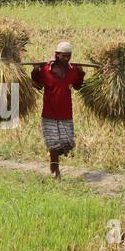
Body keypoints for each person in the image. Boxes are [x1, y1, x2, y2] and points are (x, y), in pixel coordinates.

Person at [30, 40, 85, 179]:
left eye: (69, 56)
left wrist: (81, 73)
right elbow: (36, 85)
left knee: (68, 145)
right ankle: (55, 171)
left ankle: (53, 154)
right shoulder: (46, 70)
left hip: (66, 113)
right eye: (63, 56)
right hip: (49, 114)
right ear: (56, 55)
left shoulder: (73, 71)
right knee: (54, 146)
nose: (66, 59)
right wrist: (35, 70)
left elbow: (78, 86)